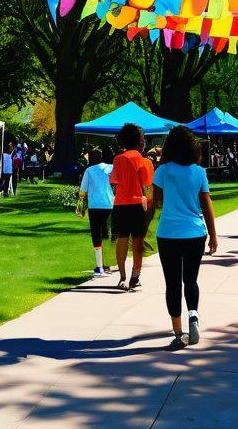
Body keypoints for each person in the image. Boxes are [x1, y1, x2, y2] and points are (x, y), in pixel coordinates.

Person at [150, 126, 218, 349]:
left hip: (168, 233)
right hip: (195, 232)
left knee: (172, 283)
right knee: (191, 279)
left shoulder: (163, 171)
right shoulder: (198, 172)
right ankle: (194, 315)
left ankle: (178, 332)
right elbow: (207, 204)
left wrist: (143, 227)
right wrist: (213, 236)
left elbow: (155, 202)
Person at [109, 123, 152, 291]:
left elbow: (114, 181)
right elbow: (148, 187)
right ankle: (135, 275)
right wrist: (148, 205)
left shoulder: (118, 159)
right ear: (140, 142)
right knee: (138, 241)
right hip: (138, 205)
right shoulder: (145, 161)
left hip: (120, 204)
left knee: (122, 238)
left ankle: (122, 276)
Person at [77, 148, 115, 277]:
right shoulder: (110, 167)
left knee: (96, 234)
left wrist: (81, 206)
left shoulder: (89, 170)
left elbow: (83, 190)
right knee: (107, 233)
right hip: (109, 204)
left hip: (94, 206)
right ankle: (108, 263)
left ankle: (100, 266)